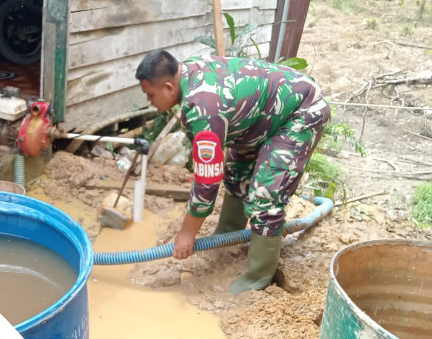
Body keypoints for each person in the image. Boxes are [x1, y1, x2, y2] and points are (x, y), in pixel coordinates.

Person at [136, 50, 330, 294]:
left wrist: (187, 233)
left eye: (150, 95)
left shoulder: (202, 109)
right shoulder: (189, 72)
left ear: (168, 87)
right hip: (258, 118)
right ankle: (229, 234)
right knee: (236, 173)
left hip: (300, 111)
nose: (149, 101)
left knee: (265, 196)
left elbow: (207, 182)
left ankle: (259, 276)